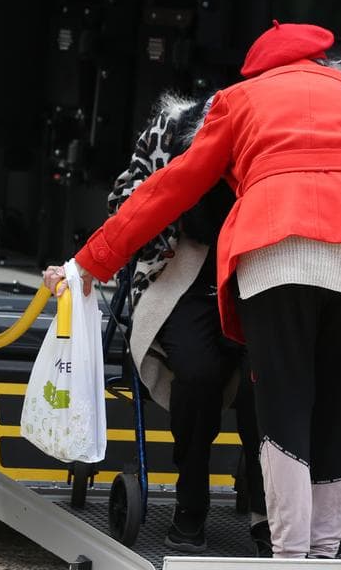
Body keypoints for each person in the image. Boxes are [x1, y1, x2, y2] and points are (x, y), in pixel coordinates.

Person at [44, 21, 341, 559]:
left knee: (282, 403)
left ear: (260, 67)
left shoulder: (239, 100)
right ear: (322, 61)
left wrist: (89, 264)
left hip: (277, 254)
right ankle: (325, 551)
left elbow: (168, 189)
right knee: (339, 408)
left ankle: (289, 554)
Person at [104, 94, 269, 555]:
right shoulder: (175, 127)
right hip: (184, 275)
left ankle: (266, 510)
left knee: (268, 378)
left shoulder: (275, 133)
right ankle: (190, 500)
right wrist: (169, 204)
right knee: (198, 375)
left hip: (254, 275)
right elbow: (121, 202)